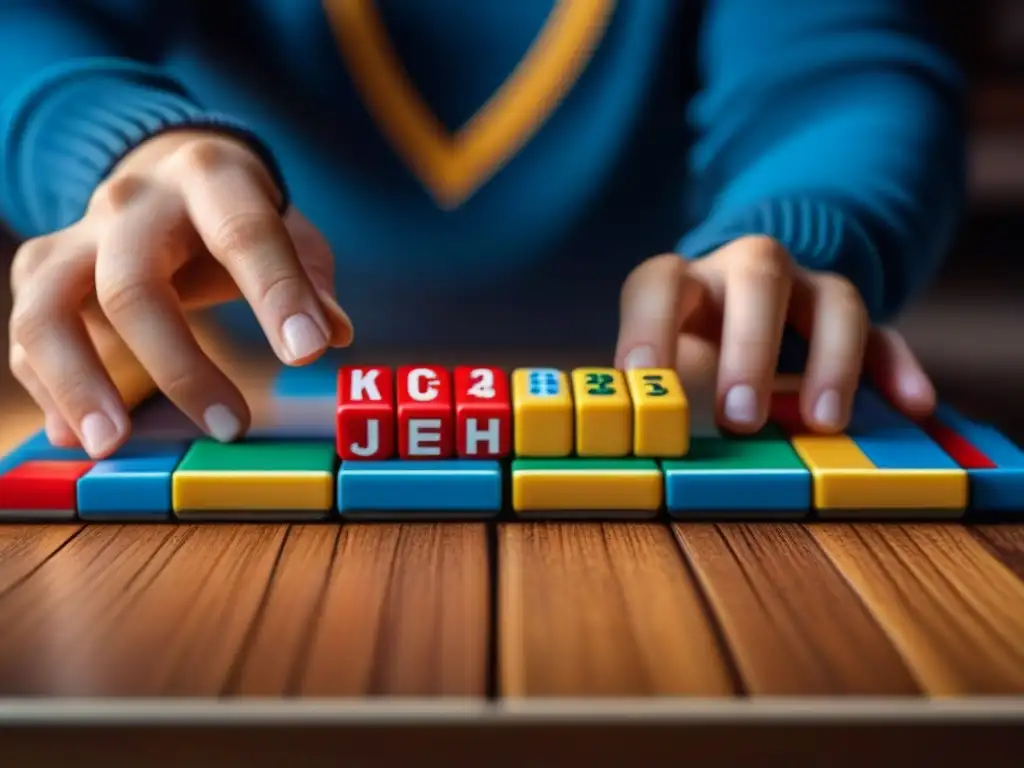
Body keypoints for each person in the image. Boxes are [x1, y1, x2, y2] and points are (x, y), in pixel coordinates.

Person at [0, 1, 965, 458]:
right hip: (245, 392)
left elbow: (843, 73)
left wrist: (796, 228)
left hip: (692, 397)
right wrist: (119, 145)